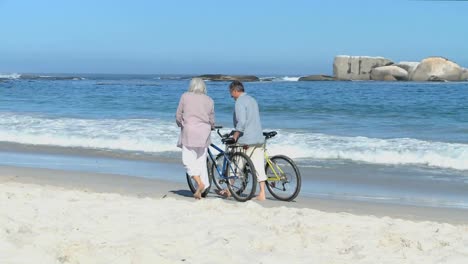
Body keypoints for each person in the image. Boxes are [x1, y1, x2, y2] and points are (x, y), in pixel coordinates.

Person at [217, 80, 267, 201]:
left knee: (236, 165)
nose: (231, 96)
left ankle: (229, 190)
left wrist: (235, 135)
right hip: (258, 138)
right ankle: (262, 193)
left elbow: (242, 122)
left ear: (235, 90)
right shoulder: (252, 100)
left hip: (246, 139)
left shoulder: (239, 102)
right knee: (259, 166)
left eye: (231, 93)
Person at [176, 78, 215, 199]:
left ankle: (200, 183)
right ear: (203, 87)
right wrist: (212, 127)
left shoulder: (185, 96)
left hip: (189, 132)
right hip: (204, 133)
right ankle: (203, 187)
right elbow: (212, 119)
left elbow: (178, 115)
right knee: (201, 161)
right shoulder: (209, 100)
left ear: (192, 86)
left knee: (187, 160)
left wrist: (180, 123)